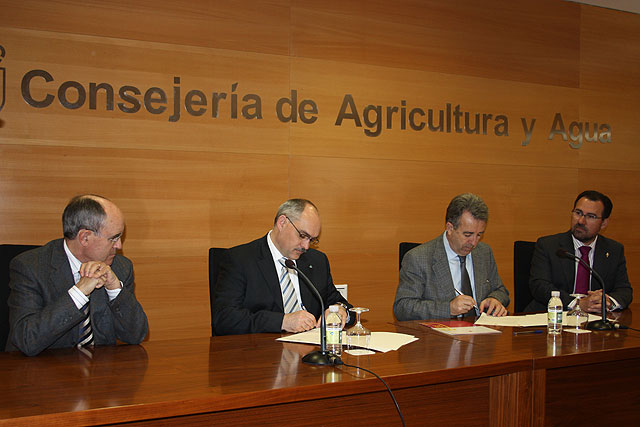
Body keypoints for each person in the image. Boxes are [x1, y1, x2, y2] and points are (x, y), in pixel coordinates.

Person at [6, 195, 148, 356]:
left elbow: (136, 335)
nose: (119, 245)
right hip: (42, 373)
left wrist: (115, 289)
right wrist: (78, 293)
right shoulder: (30, 267)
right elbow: (26, 340)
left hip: (100, 374)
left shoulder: (121, 267)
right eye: (113, 238)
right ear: (85, 237)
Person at [212, 199, 353, 335]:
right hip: (260, 352)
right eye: (302, 235)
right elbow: (224, 318)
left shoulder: (317, 261)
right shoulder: (240, 259)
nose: (306, 246)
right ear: (282, 222)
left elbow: (340, 303)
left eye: (312, 240)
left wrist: (340, 311)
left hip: (310, 352)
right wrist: (282, 321)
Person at [393, 193, 510, 320]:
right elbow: (403, 307)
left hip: (482, 334)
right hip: (439, 336)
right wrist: (448, 308)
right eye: (467, 235)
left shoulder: (484, 253)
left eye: (479, 235)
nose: (474, 242)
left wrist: (495, 299)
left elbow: (500, 290)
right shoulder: (418, 258)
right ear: (450, 228)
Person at [526, 190, 632, 313]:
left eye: (591, 216)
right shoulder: (549, 246)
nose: (581, 221)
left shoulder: (614, 249)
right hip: (552, 318)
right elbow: (539, 286)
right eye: (578, 213)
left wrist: (607, 302)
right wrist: (578, 304)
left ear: (604, 223)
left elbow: (624, 290)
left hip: (595, 321)